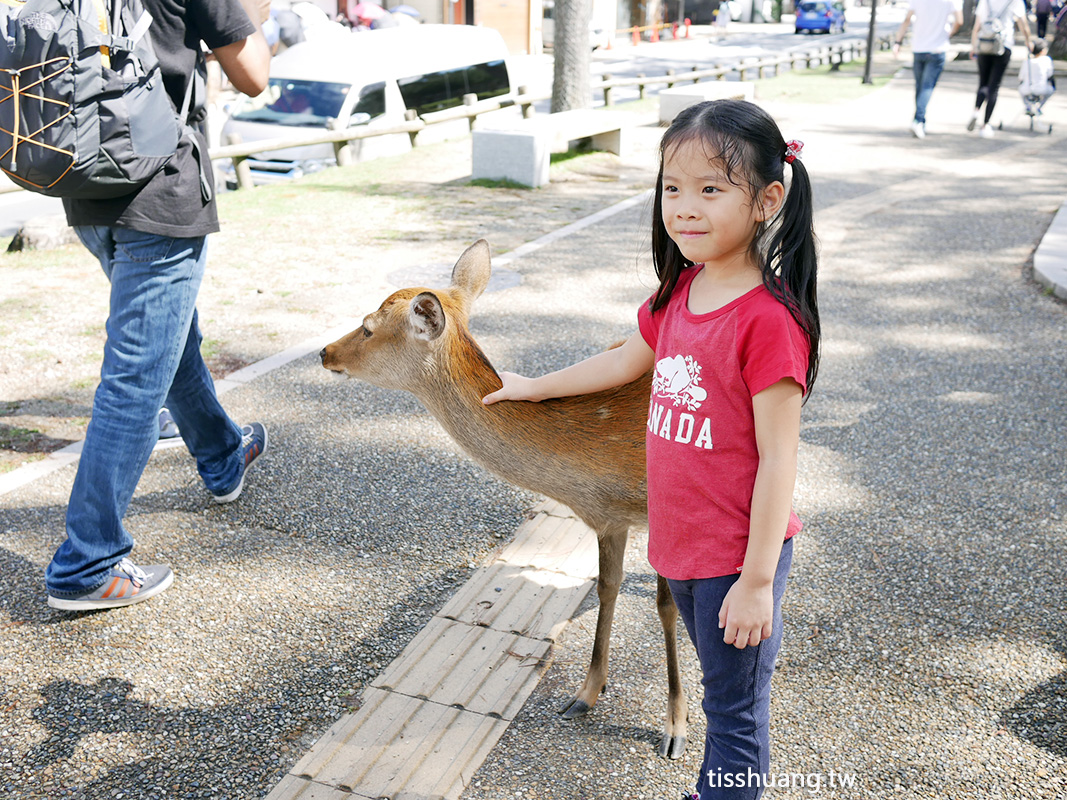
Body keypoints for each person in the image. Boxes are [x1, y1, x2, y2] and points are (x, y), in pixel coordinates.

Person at [483, 99, 820, 800]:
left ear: (767, 200)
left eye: (710, 189)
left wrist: (757, 584)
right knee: (716, 693)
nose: (684, 208)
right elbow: (623, 363)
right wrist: (534, 387)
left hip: (735, 559)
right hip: (681, 547)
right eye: (672, 188)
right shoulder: (679, 291)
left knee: (731, 715)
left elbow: (779, 461)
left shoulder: (768, 323)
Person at [45, 0, 273, 611]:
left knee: (171, 346)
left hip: (87, 184)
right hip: (160, 193)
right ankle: (86, 562)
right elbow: (254, 75)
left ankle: (224, 454)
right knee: (135, 382)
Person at [892, 0, 964, 139]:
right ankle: (918, 121)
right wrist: (948, 34)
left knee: (920, 87)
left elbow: (907, 19)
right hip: (937, 49)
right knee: (926, 87)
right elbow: (959, 21)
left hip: (919, 47)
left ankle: (920, 121)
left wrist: (898, 41)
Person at [969, 0, 1032, 138]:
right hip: (1003, 45)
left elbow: (977, 25)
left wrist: (974, 46)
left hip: (984, 43)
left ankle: (976, 110)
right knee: (994, 85)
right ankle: (985, 124)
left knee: (983, 82)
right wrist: (1029, 41)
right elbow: (1023, 24)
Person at [1019, 39, 1056, 112]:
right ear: (1042, 50)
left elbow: (1021, 77)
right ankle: (1039, 108)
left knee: (1021, 90)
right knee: (1051, 90)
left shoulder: (1027, 61)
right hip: (1042, 89)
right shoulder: (1047, 60)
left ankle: (1028, 107)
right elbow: (1050, 75)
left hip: (1026, 89)